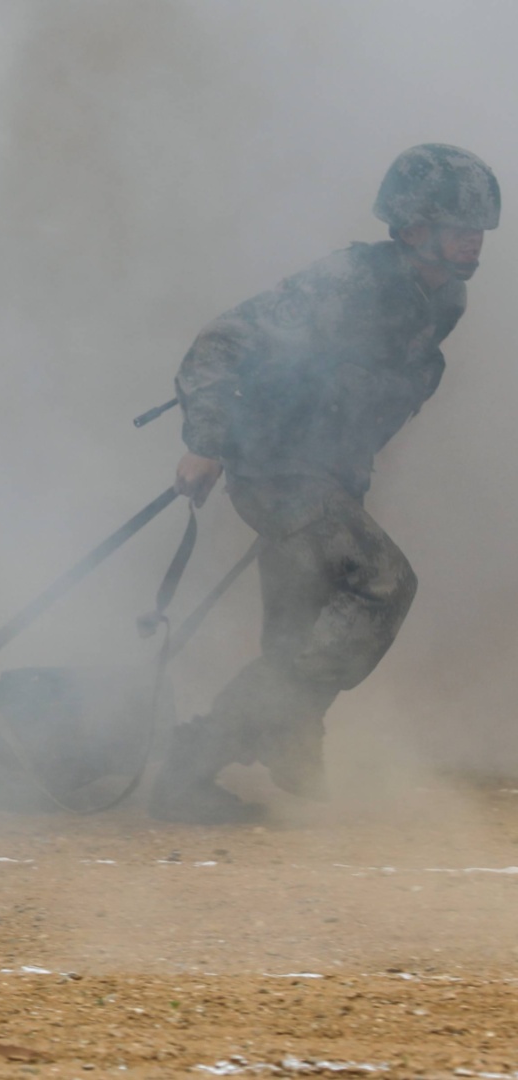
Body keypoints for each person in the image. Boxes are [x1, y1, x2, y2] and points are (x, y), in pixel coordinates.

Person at [149, 144, 498, 824]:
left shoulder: (442, 300)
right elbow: (221, 341)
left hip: (328, 482)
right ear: (410, 225)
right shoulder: (347, 281)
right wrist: (206, 443)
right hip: (278, 472)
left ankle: (191, 774)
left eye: (478, 227)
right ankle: (264, 727)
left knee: (296, 638)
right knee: (382, 585)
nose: (472, 240)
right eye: (457, 225)